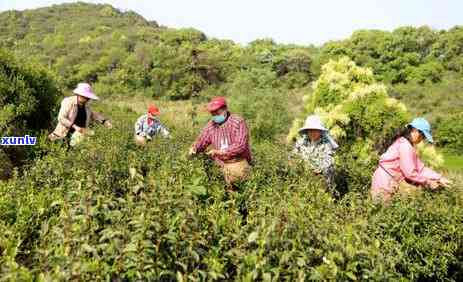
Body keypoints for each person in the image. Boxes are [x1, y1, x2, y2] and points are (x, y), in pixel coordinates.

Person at [371, 117, 452, 202]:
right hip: (384, 181)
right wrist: (428, 182)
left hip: (386, 180)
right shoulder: (405, 146)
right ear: (415, 131)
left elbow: (421, 168)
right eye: (423, 136)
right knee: (381, 210)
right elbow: (410, 173)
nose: (422, 139)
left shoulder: (405, 143)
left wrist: (439, 178)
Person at [189, 96, 252, 188]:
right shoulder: (211, 125)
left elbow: (240, 145)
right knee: (225, 193)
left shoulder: (238, 122)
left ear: (225, 109)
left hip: (239, 165)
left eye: (217, 112)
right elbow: (202, 140)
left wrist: (219, 152)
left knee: (242, 190)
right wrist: (194, 148)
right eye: (212, 113)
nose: (215, 116)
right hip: (221, 167)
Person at [291, 115, 339, 196]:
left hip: (322, 176)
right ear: (307, 131)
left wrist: (318, 169)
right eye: (310, 130)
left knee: (322, 192)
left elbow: (328, 160)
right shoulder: (301, 142)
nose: (313, 133)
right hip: (304, 175)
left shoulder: (326, 143)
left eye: (315, 130)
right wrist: (296, 164)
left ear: (320, 131)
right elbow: (293, 156)